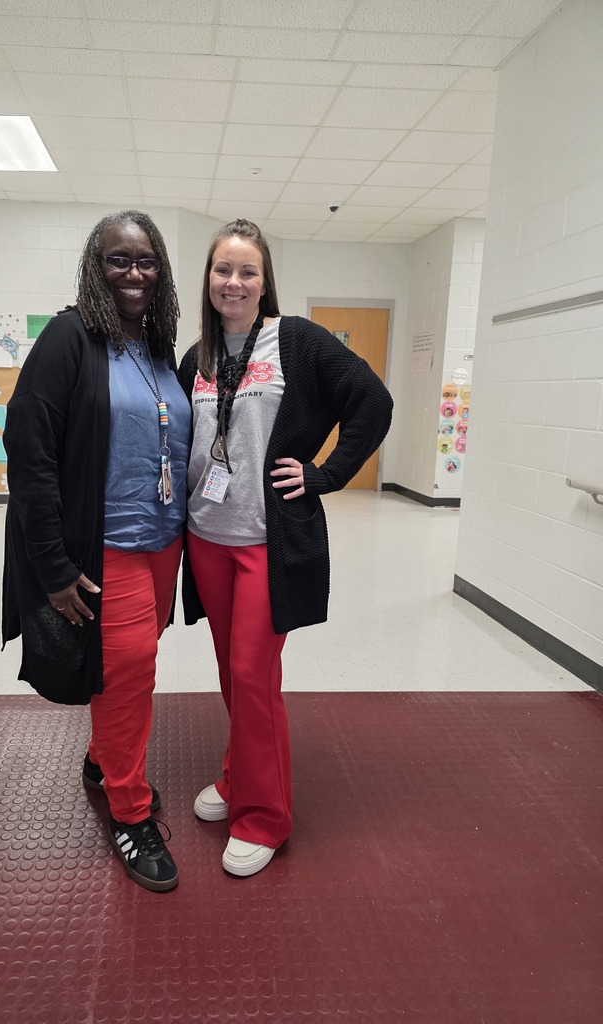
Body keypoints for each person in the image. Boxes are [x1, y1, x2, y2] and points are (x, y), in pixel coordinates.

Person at [178, 219, 393, 877]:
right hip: (207, 539)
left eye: (247, 271)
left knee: (253, 676)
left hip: (265, 543)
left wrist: (324, 474)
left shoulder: (293, 340)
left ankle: (265, 817)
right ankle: (239, 777)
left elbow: (372, 401)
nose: (234, 282)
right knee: (230, 674)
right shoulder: (198, 358)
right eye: (223, 270)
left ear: (265, 280)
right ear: (208, 279)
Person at [2, 210, 190, 893]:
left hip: (160, 544)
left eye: (145, 261)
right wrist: (53, 565)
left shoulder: (159, 346)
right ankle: (129, 811)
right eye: (118, 260)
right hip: (103, 545)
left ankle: (102, 760)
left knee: (135, 663)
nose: (133, 272)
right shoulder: (69, 338)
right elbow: (28, 450)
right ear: (95, 266)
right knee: (128, 674)